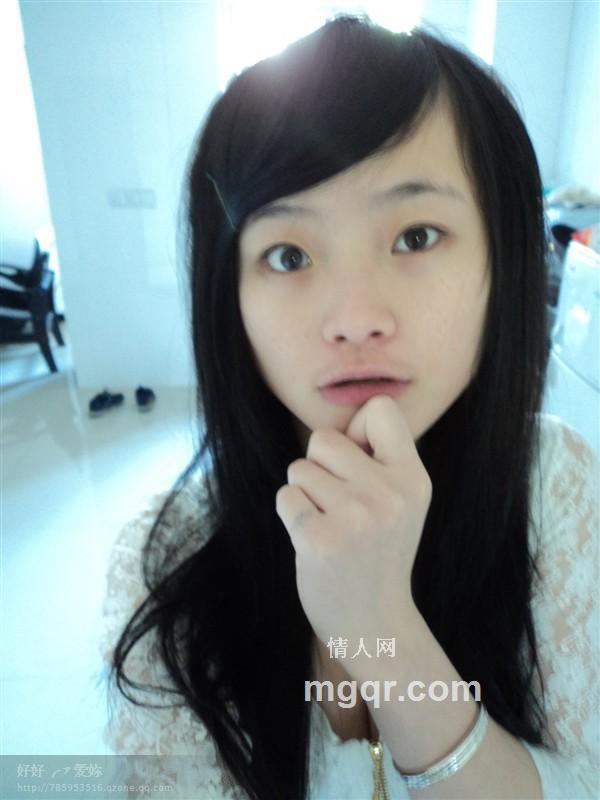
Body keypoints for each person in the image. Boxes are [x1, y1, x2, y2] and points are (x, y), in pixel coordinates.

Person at [98, 14, 599, 800]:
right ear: (229, 296)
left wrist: (382, 629)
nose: (355, 318)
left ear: (500, 259)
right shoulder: (165, 565)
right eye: (288, 254)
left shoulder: (558, 487)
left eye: (416, 236)